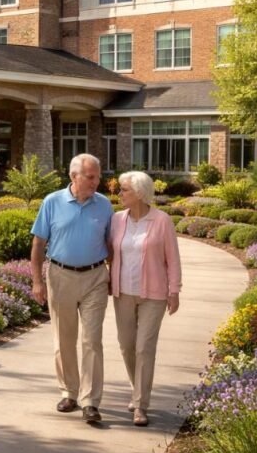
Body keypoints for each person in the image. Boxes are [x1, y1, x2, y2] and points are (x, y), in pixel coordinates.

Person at [30, 153, 113, 424]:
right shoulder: (52, 202)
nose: (96, 182)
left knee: (92, 340)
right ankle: (69, 392)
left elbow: (111, 245)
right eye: (90, 177)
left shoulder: (104, 206)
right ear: (73, 176)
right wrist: (37, 281)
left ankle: (90, 401)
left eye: (98, 176)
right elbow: (38, 245)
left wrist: (115, 276)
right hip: (60, 276)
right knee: (64, 339)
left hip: (95, 278)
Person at [111, 171, 181, 427]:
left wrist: (174, 290)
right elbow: (110, 252)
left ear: (140, 193)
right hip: (123, 293)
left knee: (144, 348)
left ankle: (140, 404)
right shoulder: (117, 220)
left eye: (124, 190)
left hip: (154, 294)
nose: (119, 194)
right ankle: (136, 387)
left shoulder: (162, 221)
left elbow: (172, 258)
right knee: (126, 346)